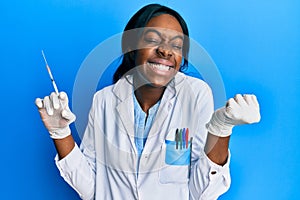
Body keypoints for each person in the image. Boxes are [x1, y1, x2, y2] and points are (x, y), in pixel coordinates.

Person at [35, 4, 260, 200]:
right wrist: (60, 133)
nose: (165, 50)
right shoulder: (104, 101)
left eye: (177, 45)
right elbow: (91, 189)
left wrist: (220, 129)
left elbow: (202, 194)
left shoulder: (195, 95)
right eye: (153, 39)